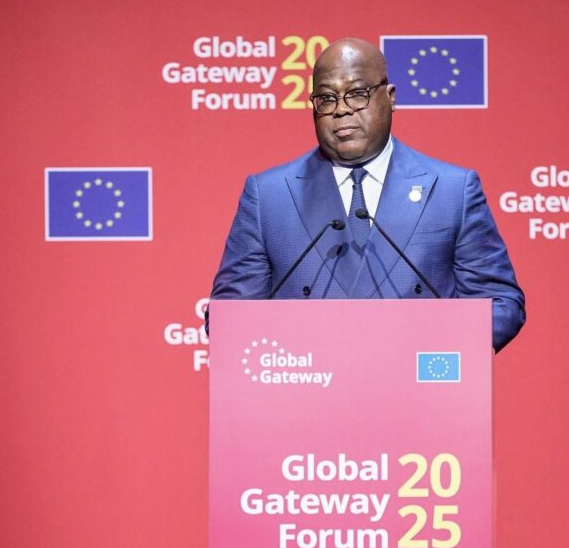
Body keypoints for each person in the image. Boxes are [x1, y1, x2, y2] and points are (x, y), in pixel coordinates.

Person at [210, 37, 525, 351]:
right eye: (326, 98)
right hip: (307, 377)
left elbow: (500, 303)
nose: (341, 110)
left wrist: (436, 349)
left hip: (420, 376)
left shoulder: (452, 190)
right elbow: (229, 318)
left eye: (357, 94)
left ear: (390, 97)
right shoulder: (269, 196)